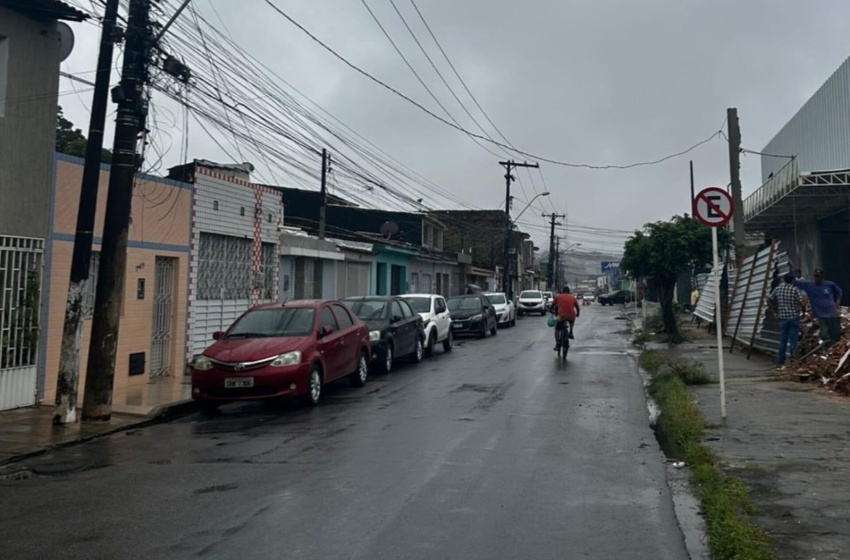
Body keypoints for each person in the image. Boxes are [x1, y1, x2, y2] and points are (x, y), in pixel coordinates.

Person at [794, 268, 843, 350]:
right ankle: (828, 349)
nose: (817, 279)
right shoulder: (809, 285)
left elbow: (839, 291)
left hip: (832, 313)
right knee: (824, 334)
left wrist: (837, 302)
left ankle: (836, 349)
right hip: (821, 315)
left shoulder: (829, 284)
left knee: (836, 334)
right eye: (816, 276)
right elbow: (795, 282)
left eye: (819, 277)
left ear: (822, 277)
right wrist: (790, 270)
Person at [768, 272, 802, 369]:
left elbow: (769, 299)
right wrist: (803, 313)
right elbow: (801, 302)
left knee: (783, 340)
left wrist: (774, 312)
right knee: (793, 340)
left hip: (782, 318)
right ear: (792, 280)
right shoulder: (794, 289)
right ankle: (793, 360)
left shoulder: (778, 288)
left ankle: (780, 362)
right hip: (793, 317)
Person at [553, 286, 580, 351]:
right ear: (569, 291)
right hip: (571, 315)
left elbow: (552, 305)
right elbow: (577, 307)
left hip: (562, 315)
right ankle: (570, 331)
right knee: (572, 320)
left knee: (557, 329)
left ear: (562, 291)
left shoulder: (558, 297)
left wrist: (551, 310)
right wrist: (577, 314)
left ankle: (557, 344)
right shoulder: (572, 297)